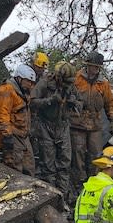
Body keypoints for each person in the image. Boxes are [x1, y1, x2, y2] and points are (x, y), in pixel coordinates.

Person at [31, 61, 82, 199]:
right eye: (65, 81)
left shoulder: (71, 86)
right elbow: (32, 102)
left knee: (65, 162)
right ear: (58, 77)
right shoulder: (44, 83)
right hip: (45, 125)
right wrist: (50, 100)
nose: (67, 84)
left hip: (63, 126)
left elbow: (81, 103)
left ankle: (63, 197)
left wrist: (74, 102)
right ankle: (51, 197)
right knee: (48, 165)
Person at [70, 51, 113, 195]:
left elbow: (110, 103)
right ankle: (79, 184)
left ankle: (94, 181)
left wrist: (112, 120)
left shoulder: (103, 83)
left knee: (96, 154)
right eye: (93, 66)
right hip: (77, 123)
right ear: (87, 66)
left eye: (97, 67)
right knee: (78, 152)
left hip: (95, 124)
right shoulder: (76, 79)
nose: (95, 69)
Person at [0, 64, 36, 176]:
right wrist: (8, 138)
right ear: (19, 78)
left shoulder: (23, 92)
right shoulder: (6, 91)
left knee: (29, 167)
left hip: (23, 135)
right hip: (12, 135)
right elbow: (2, 117)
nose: (31, 85)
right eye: (28, 82)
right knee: (15, 168)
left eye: (32, 83)